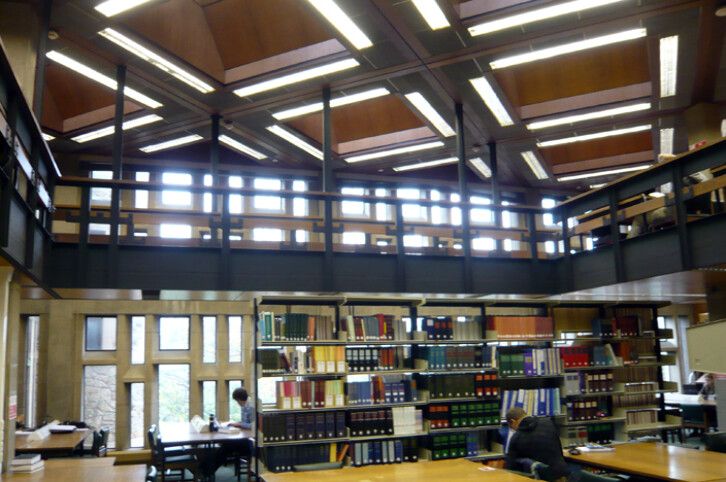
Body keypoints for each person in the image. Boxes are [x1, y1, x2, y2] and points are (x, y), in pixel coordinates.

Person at [505, 410, 572, 482]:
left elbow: (510, 467)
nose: (513, 430)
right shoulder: (548, 423)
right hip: (561, 474)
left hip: (540, 478)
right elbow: (558, 449)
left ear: (513, 421)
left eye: (511, 427)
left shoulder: (516, 438)